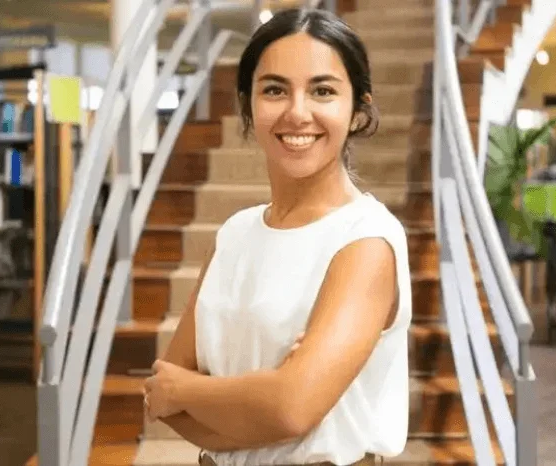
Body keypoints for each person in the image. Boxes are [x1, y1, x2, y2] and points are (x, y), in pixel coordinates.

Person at [143, 7, 412, 465]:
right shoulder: (235, 234)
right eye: (274, 90)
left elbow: (291, 407)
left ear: (357, 108)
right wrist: (261, 403)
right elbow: (162, 401)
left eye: (323, 91)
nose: (297, 113)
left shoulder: (367, 240)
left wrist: (190, 390)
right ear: (249, 103)